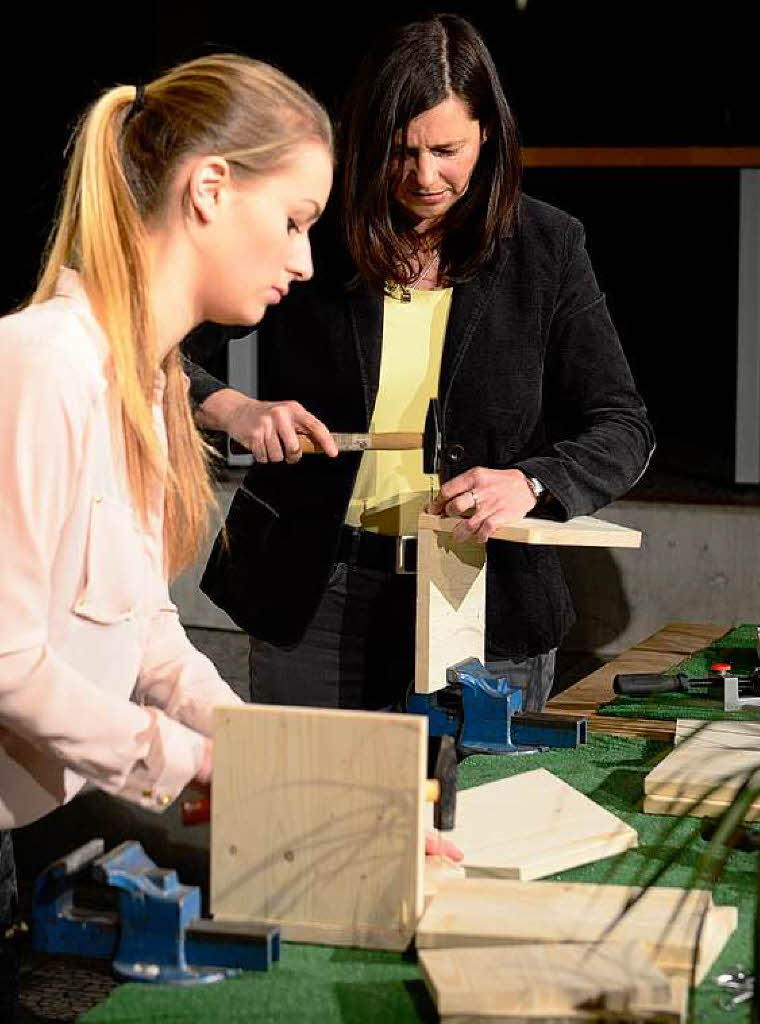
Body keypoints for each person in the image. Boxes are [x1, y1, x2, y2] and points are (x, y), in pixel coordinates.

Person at [187, 13, 654, 714]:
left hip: (484, 596)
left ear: (487, 133)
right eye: (400, 151)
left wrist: (530, 482)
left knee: (474, 820)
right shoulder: (315, 229)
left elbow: (621, 425)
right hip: (316, 593)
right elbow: (156, 348)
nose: (423, 176)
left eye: (446, 149)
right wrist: (235, 408)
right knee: (314, 820)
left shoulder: (546, 246)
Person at [0, 54, 335, 1016]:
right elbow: (11, 659)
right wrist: (194, 762)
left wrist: (261, 753)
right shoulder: (44, 365)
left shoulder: (149, 384)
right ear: (211, 188)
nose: (305, 261)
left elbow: (144, 633)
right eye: (295, 222)